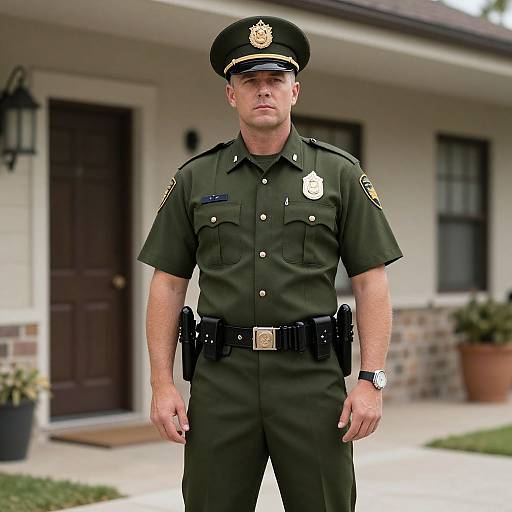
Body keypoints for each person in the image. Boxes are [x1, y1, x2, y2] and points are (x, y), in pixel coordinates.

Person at [137, 15, 403, 512]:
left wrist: (371, 380)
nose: (264, 91)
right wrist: (161, 383)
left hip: (311, 381)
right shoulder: (195, 178)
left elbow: (372, 283)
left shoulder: (339, 174)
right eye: (250, 81)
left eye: (275, 80)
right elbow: (168, 284)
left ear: (295, 90)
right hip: (221, 382)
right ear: (231, 95)